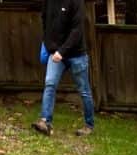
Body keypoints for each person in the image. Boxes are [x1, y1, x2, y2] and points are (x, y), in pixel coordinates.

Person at [32, 0, 95, 137]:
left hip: (76, 54)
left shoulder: (76, 2)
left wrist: (62, 51)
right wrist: (48, 44)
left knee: (84, 90)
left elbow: (77, 31)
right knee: (50, 84)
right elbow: (45, 20)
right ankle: (45, 122)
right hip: (55, 53)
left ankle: (89, 125)